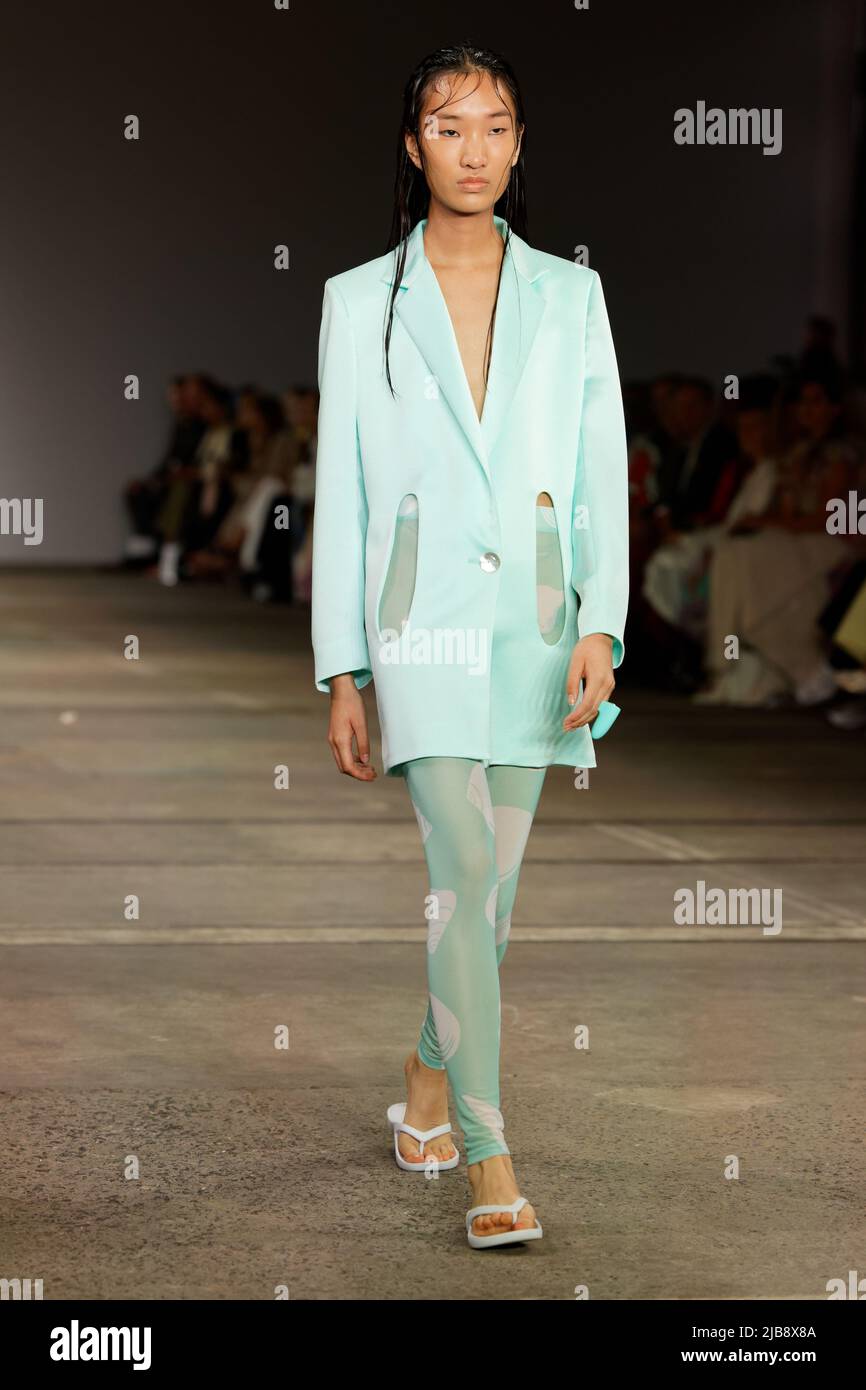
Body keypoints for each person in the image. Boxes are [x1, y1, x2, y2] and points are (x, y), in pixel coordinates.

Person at [310, 44, 628, 1248]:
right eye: (450, 128)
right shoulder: (356, 300)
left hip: (538, 628)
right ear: (412, 146)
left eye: (495, 126)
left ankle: (428, 1074)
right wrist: (342, 662)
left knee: (484, 905)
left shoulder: (570, 293)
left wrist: (599, 618)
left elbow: (598, 465)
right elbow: (339, 485)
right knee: (458, 862)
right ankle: (492, 1159)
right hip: (420, 625)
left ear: (517, 142)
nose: (475, 149)